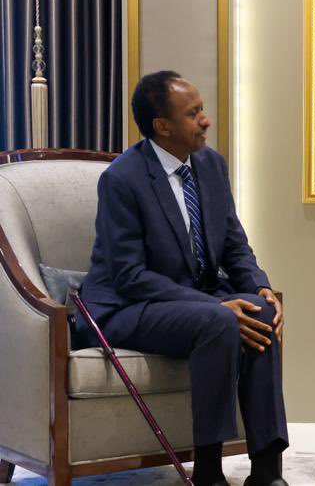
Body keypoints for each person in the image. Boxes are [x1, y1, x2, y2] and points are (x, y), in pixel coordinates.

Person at [77, 71, 288, 486]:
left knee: (260, 311)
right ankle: (209, 471)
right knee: (219, 319)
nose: (205, 120)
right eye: (193, 114)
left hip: (189, 298)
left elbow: (234, 243)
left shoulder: (211, 164)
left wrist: (259, 285)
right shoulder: (122, 179)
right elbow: (130, 276)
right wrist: (215, 304)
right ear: (163, 126)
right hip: (127, 306)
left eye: (202, 109)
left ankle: (267, 470)